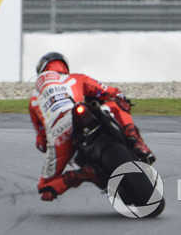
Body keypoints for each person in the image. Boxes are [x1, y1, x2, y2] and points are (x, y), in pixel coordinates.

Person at [29, 52, 154, 202]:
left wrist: (44, 146)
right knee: (116, 105)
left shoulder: (34, 100)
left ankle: (83, 174)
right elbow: (108, 91)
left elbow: (41, 139)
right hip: (79, 114)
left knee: (46, 188)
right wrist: (122, 99)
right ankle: (136, 142)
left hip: (59, 137)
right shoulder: (74, 78)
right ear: (63, 66)